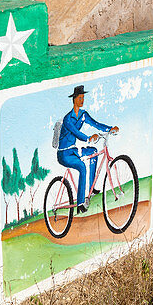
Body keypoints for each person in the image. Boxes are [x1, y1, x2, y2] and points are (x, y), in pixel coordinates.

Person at [56, 85, 117, 213]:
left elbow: (95, 124)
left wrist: (110, 129)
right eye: (80, 98)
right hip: (64, 154)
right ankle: (80, 204)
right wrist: (89, 139)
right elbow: (75, 133)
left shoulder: (83, 115)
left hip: (73, 150)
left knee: (93, 152)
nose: (82, 100)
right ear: (74, 99)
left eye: (83, 97)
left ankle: (91, 187)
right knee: (82, 167)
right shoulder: (68, 119)